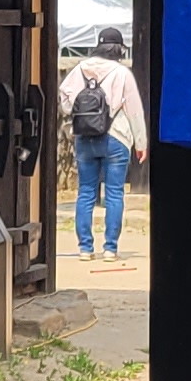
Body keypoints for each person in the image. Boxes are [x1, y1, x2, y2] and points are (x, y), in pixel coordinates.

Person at [61, 28, 146, 262]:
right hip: (116, 137)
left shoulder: (80, 69)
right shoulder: (122, 73)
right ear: (119, 48)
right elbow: (135, 111)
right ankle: (110, 248)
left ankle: (85, 248)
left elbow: (65, 101)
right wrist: (141, 142)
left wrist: (80, 112)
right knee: (114, 193)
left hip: (85, 138)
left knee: (86, 192)